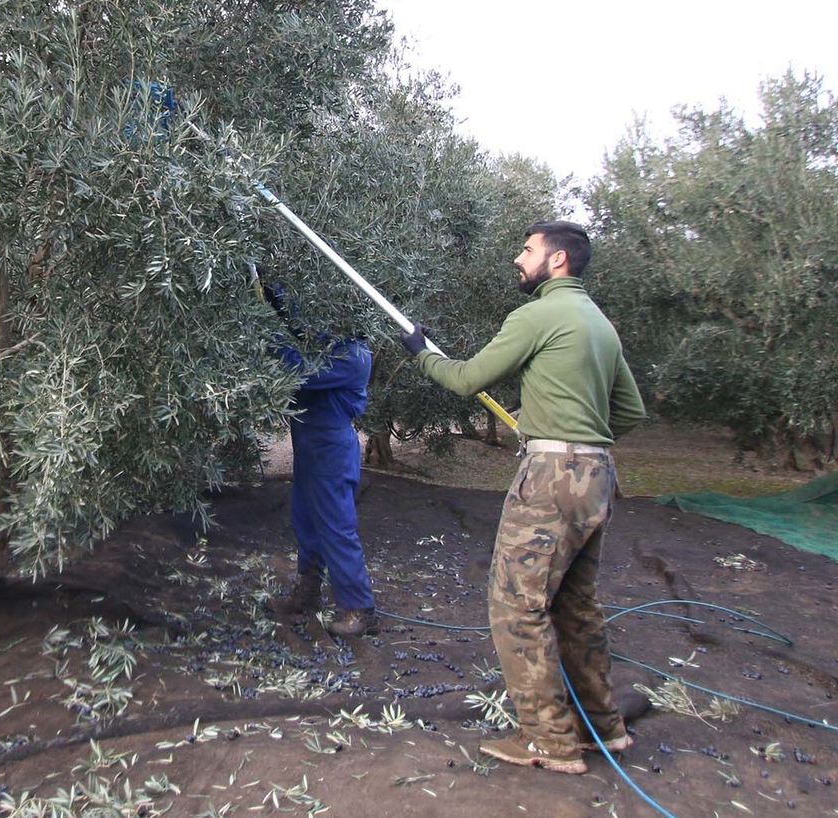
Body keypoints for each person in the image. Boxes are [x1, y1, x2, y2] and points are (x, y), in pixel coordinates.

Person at [400, 221, 646, 774]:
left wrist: (419, 351)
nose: (519, 258)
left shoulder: (537, 314)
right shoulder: (599, 324)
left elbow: (466, 380)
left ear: (557, 260)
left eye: (528, 250)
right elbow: (629, 412)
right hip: (598, 475)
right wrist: (577, 433)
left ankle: (548, 740)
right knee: (575, 605)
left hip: (552, 477)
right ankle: (601, 726)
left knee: (517, 604)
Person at [265, 283, 378, 638]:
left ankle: (359, 609)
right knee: (306, 521)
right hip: (310, 448)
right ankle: (307, 592)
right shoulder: (332, 343)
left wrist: (266, 335)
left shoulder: (354, 357)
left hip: (332, 452)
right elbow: (301, 327)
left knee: (336, 527)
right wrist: (276, 297)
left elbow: (297, 367)